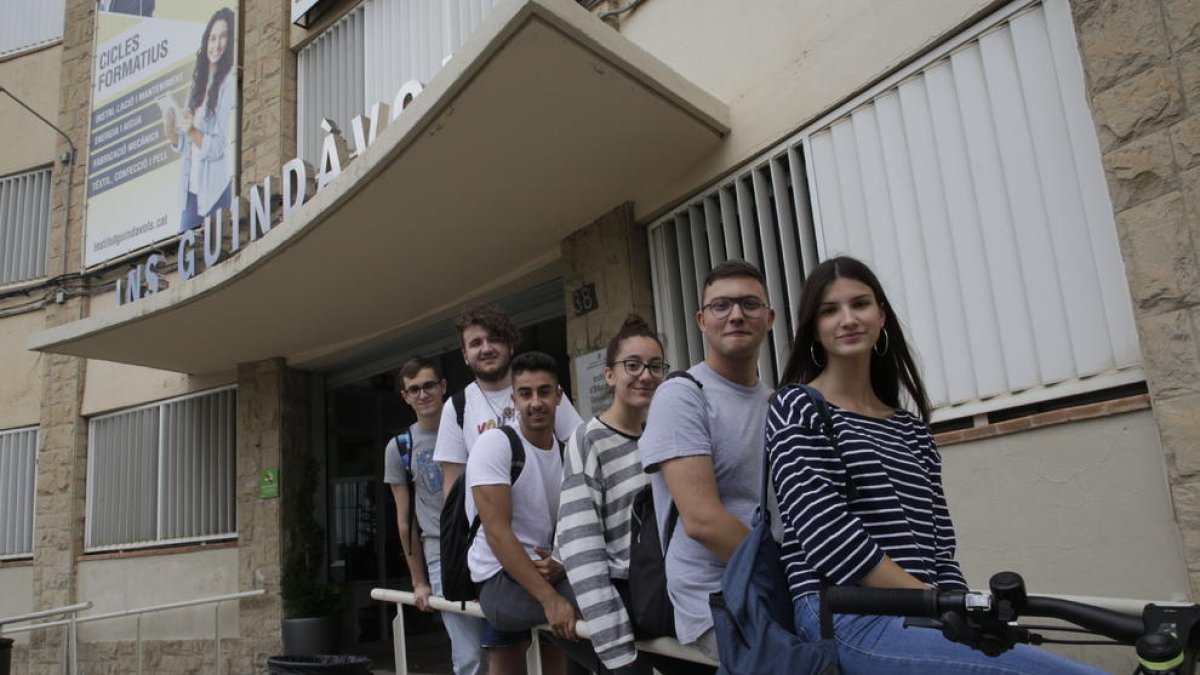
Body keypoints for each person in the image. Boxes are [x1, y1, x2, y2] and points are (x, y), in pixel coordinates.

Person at [767, 255, 1105, 675]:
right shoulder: (797, 406)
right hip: (846, 616)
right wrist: (933, 601)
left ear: (882, 315)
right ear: (813, 328)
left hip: (921, 615)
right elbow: (828, 535)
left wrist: (960, 609)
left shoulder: (912, 429)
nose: (848, 319)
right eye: (830, 310)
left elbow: (939, 545)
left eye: (861, 304)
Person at [639, 260, 777, 663]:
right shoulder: (682, 394)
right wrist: (788, 574)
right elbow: (702, 521)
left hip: (773, 588)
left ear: (769, 318)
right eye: (721, 306)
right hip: (717, 601)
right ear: (702, 319)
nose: (736, 314)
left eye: (750, 304)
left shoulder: (776, 402)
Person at [467, 352, 596, 675]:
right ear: (514, 399)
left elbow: (578, 525)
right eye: (525, 393)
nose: (535, 402)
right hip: (497, 578)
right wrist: (550, 599)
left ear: (558, 396)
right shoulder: (496, 445)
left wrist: (561, 564)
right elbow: (497, 533)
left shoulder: (568, 452)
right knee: (590, 612)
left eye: (544, 391)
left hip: (546, 570)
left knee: (599, 609)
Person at [556, 315, 666, 674]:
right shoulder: (588, 439)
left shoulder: (661, 439)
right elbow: (580, 545)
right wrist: (616, 648)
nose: (645, 375)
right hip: (616, 600)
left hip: (656, 591)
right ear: (609, 375)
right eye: (631, 365)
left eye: (655, 366)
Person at [384, 357, 484, 675]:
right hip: (441, 557)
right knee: (470, 656)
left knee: (504, 644)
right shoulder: (400, 447)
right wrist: (418, 581)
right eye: (414, 389)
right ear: (405, 396)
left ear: (443, 387)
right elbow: (404, 521)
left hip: (485, 546)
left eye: (429, 385)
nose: (422, 394)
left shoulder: (471, 430)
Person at [163, 7, 235, 232]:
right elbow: (189, 146)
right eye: (213, 37)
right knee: (182, 261)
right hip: (190, 192)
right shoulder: (198, 83)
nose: (217, 44)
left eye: (223, 36)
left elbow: (218, 148)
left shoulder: (229, 82)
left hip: (215, 192)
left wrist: (192, 131)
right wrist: (172, 133)